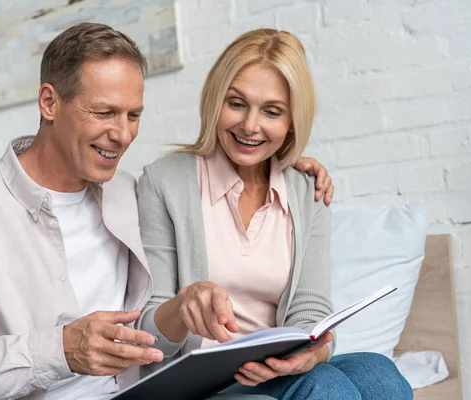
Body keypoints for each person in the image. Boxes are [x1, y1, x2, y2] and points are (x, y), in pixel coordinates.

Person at [0, 23, 334, 400]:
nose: (122, 135)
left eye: (133, 115)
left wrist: (292, 166)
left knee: (368, 373)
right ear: (49, 103)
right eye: (104, 112)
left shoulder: (129, 193)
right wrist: (58, 351)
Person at [135, 29, 413, 399]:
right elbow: (150, 334)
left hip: (275, 371)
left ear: (291, 122)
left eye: (272, 112)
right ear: (214, 101)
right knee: (324, 385)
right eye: (236, 103)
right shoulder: (164, 181)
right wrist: (184, 305)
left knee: (380, 373)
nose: (250, 126)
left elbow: (310, 305)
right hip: (200, 383)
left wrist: (313, 352)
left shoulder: (306, 189)